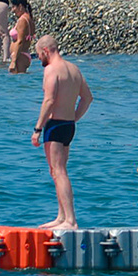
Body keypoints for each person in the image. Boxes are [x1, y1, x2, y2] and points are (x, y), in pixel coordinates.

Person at [32, 36, 91, 230]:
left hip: (55, 124)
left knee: (59, 171)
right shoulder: (74, 69)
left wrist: (37, 129)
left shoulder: (51, 70)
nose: (39, 59)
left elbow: (49, 100)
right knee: (57, 171)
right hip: (68, 125)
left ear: (46, 51)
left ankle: (70, 220)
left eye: (40, 55)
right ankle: (61, 216)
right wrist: (74, 117)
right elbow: (87, 98)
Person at [9, 0, 35, 74]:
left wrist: (13, 61)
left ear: (20, 6)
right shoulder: (29, 19)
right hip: (23, 55)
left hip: (19, 56)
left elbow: (20, 41)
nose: (13, 10)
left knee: (17, 83)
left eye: (14, 7)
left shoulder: (22, 20)